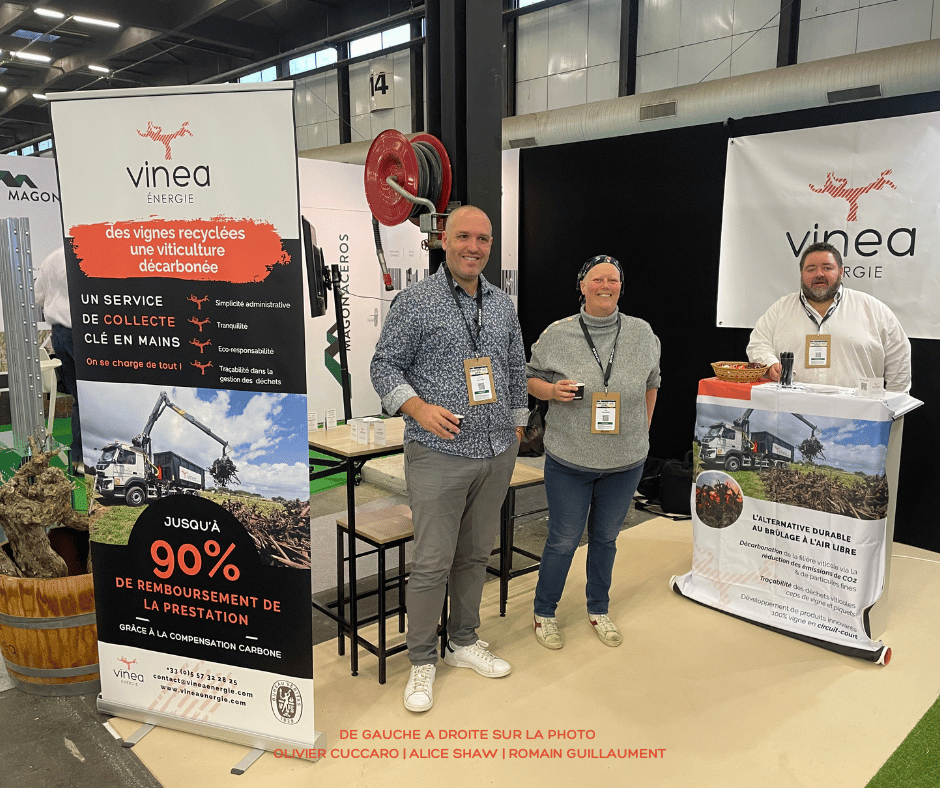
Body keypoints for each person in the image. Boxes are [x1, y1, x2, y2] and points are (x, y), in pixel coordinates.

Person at [370, 205, 528, 712]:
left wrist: (518, 422)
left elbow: (515, 367)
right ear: (443, 240)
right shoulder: (415, 302)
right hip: (439, 453)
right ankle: (421, 660)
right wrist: (416, 407)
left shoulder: (503, 304)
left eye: (483, 239)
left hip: (495, 449)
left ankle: (462, 641)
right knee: (433, 561)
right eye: (463, 236)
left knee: (476, 554)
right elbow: (383, 365)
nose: (474, 247)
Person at [526, 255, 660, 650]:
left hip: (625, 462)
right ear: (582, 286)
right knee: (564, 539)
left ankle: (598, 609)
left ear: (621, 286)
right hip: (570, 461)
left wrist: (642, 428)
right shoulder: (558, 333)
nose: (606, 285)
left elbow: (653, 384)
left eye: (613, 280)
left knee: (606, 538)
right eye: (597, 279)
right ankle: (544, 612)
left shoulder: (642, 333)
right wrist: (551, 392)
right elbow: (529, 376)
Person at [746, 242, 911, 392]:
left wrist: (894, 403)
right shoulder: (780, 309)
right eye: (811, 269)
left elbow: (899, 358)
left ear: (841, 271)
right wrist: (769, 363)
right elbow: (759, 343)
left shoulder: (873, 310)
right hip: (794, 413)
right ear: (802, 273)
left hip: (858, 415)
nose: (819, 274)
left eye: (827, 268)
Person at [34, 246, 83, 470]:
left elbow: (37, 297)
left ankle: (78, 462)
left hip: (60, 335)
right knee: (89, 400)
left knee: (79, 399)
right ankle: (83, 462)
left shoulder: (50, 257)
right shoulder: (87, 254)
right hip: (83, 332)